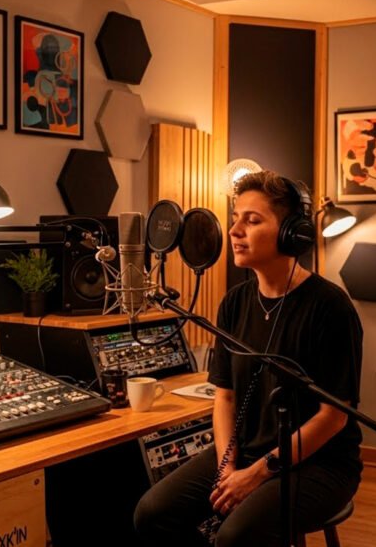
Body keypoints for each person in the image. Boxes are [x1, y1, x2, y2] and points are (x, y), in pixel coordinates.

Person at [134, 171, 363, 547]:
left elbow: (333, 417)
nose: (235, 231)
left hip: (320, 463)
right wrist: (227, 465)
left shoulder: (330, 306)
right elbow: (224, 396)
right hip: (246, 451)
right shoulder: (234, 303)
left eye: (252, 221)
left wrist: (257, 473)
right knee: (153, 513)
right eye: (235, 218)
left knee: (236, 536)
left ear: (292, 233)